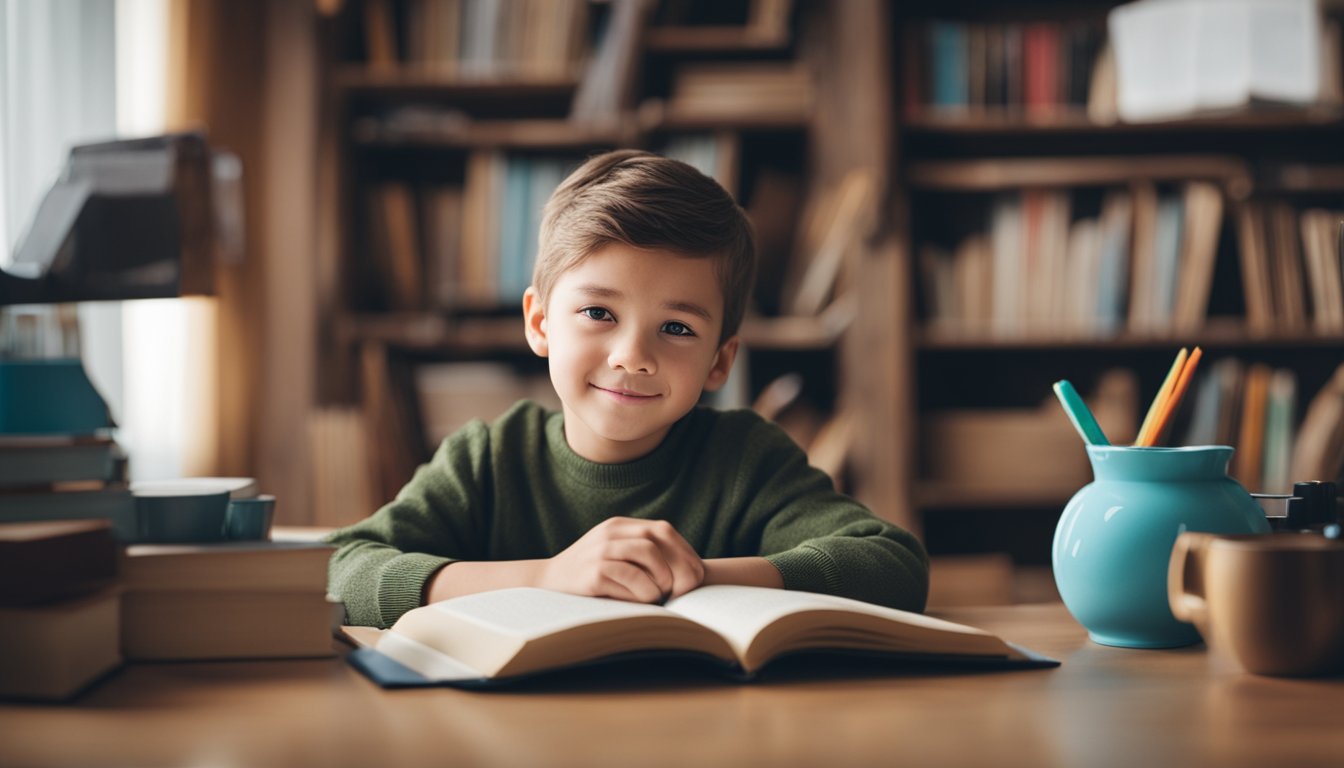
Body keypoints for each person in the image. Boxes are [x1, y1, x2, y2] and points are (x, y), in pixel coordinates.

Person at [326, 149, 928, 628]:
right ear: (540, 323)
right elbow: (341, 570)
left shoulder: (746, 460)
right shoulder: (488, 460)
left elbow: (893, 566)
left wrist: (688, 575)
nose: (633, 357)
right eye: (598, 313)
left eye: (676, 328)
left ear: (720, 362)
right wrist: (547, 579)